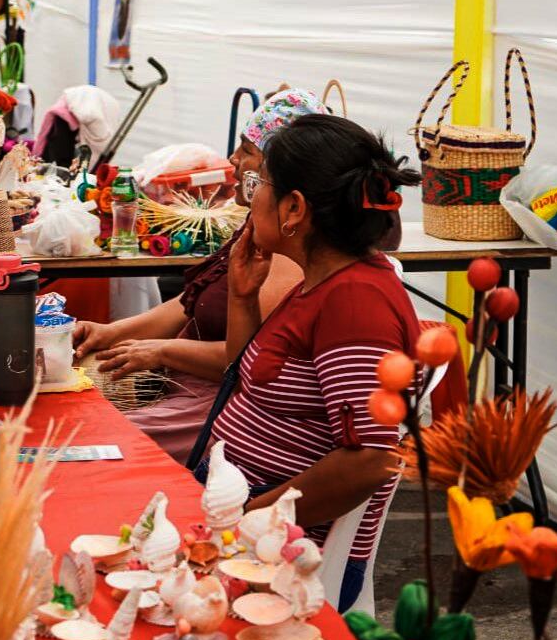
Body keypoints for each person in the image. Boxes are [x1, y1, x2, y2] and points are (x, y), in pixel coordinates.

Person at [206, 114, 422, 612]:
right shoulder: (323, 281)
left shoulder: (355, 302)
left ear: (294, 208)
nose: (251, 198)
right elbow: (249, 384)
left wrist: (255, 518)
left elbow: (371, 459)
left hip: (293, 555)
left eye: (260, 184)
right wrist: (242, 297)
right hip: (250, 517)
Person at [73, 92, 324, 461]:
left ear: (280, 173)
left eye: (247, 150)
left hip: (219, 407)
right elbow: (190, 304)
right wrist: (111, 332)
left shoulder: (287, 249)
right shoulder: (256, 228)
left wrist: (162, 351)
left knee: (87, 444)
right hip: (188, 390)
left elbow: (247, 363)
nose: (233, 159)